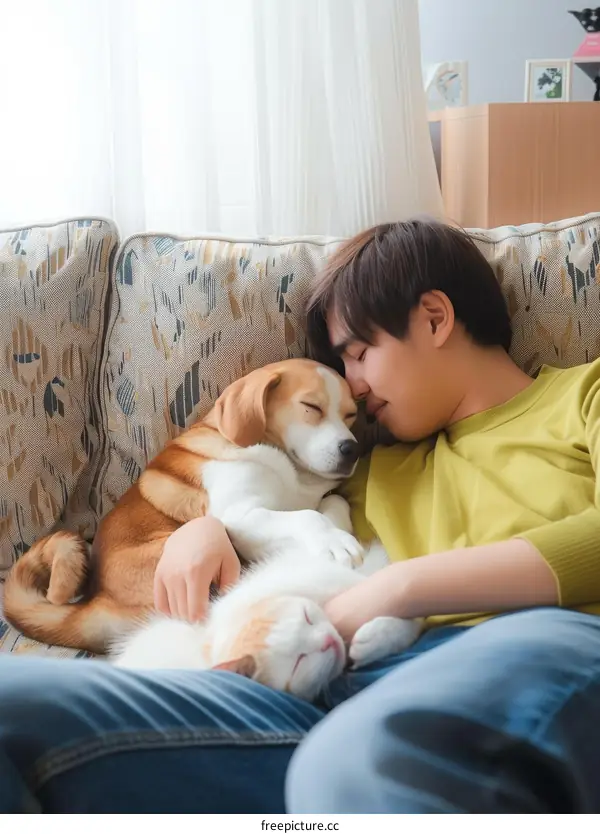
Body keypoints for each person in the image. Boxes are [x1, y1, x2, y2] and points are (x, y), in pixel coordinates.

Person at [2, 219, 600, 813]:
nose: (354, 388)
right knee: (15, 702)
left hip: (526, 652)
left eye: (360, 354)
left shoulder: (582, 398)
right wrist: (207, 526)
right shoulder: (361, 470)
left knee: (349, 761)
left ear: (435, 317)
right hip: (319, 693)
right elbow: (271, 521)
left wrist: (399, 587)